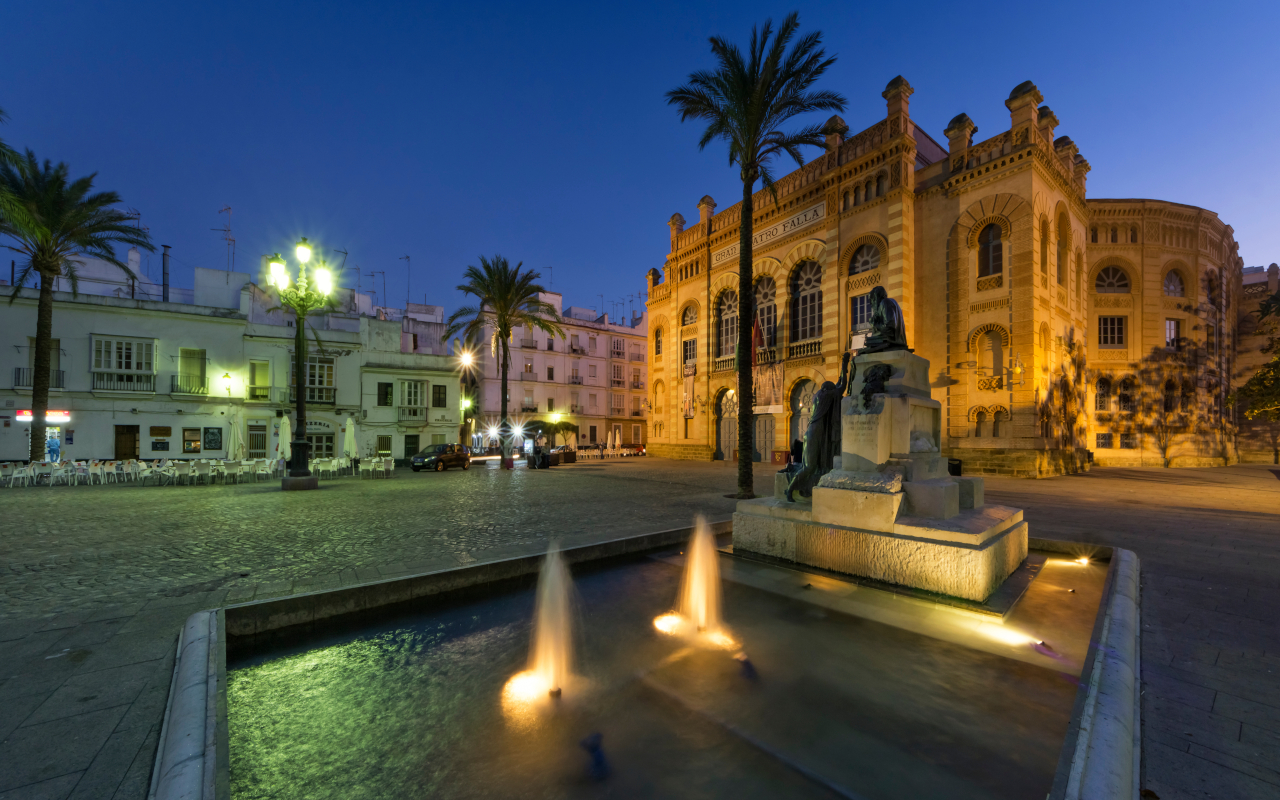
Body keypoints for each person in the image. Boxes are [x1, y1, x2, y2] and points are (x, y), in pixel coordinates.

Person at [786, 352, 853, 501]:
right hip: (814, 435)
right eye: (832, 389)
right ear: (829, 391)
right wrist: (844, 364)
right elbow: (841, 385)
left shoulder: (819, 395)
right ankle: (789, 490)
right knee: (809, 467)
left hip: (812, 433)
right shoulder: (826, 396)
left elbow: (837, 386)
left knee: (811, 466)